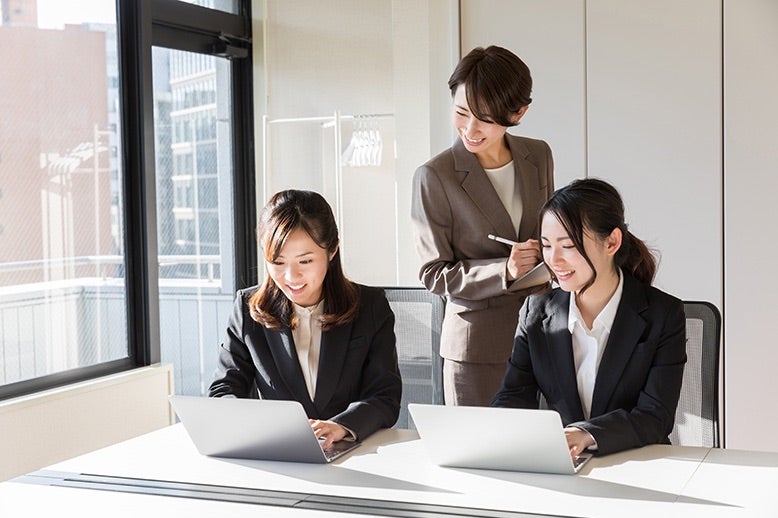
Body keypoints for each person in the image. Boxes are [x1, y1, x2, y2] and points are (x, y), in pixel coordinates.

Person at [491, 178, 687, 457]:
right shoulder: (535, 312)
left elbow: (655, 416)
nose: (553, 260)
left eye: (568, 246)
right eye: (546, 246)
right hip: (564, 462)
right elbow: (513, 396)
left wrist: (586, 434)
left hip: (639, 462)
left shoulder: (662, 315)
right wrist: (490, 429)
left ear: (612, 242)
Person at [411, 45, 555, 406]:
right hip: (478, 350)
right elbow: (433, 274)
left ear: (519, 112)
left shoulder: (537, 155)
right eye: (461, 113)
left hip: (544, 335)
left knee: (549, 453)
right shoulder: (435, 176)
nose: (470, 129)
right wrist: (502, 271)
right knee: (481, 458)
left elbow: (551, 233)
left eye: (486, 119)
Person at [208, 189, 402, 448]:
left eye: (305, 260)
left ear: (331, 250)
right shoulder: (247, 308)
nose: (291, 277)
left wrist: (342, 426)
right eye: (278, 262)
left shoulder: (370, 306)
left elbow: (385, 396)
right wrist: (258, 427)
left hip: (353, 452)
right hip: (277, 451)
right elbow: (223, 391)